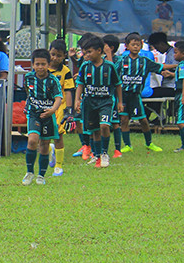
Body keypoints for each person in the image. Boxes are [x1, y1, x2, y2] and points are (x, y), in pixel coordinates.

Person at [116, 32, 176, 153]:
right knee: (124, 120)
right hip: (124, 95)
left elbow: (160, 66)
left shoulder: (145, 61)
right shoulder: (122, 61)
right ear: (127, 46)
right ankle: (127, 145)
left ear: (141, 45)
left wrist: (176, 65)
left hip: (136, 95)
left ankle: (149, 143)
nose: (135, 47)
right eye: (133, 45)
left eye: (138, 45)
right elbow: (114, 76)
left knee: (143, 120)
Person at [75, 35, 122, 168]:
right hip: (89, 102)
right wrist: (77, 100)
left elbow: (118, 84)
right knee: (95, 130)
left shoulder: (109, 66)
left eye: (89, 52)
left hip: (105, 101)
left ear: (99, 51)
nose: (87, 55)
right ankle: (96, 155)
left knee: (104, 126)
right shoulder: (85, 66)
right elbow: (80, 84)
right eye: (85, 52)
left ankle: (104, 153)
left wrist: (119, 102)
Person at [22, 49, 63, 186]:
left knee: (44, 145)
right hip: (34, 114)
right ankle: (29, 172)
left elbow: (58, 98)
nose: (40, 67)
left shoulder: (53, 80)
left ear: (48, 65)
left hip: (48, 115)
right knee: (32, 141)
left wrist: (52, 110)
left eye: (43, 64)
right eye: (37, 64)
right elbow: (28, 92)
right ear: (33, 65)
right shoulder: (29, 78)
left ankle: (41, 175)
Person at [47, 39, 75, 176]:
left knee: (58, 135)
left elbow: (69, 91)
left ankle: (58, 165)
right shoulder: (42, 68)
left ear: (64, 56)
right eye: (53, 54)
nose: (55, 58)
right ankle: (50, 151)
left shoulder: (66, 71)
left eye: (59, 56)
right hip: (44, 106)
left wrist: (69, 110)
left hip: (59, 107)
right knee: (42, 136)